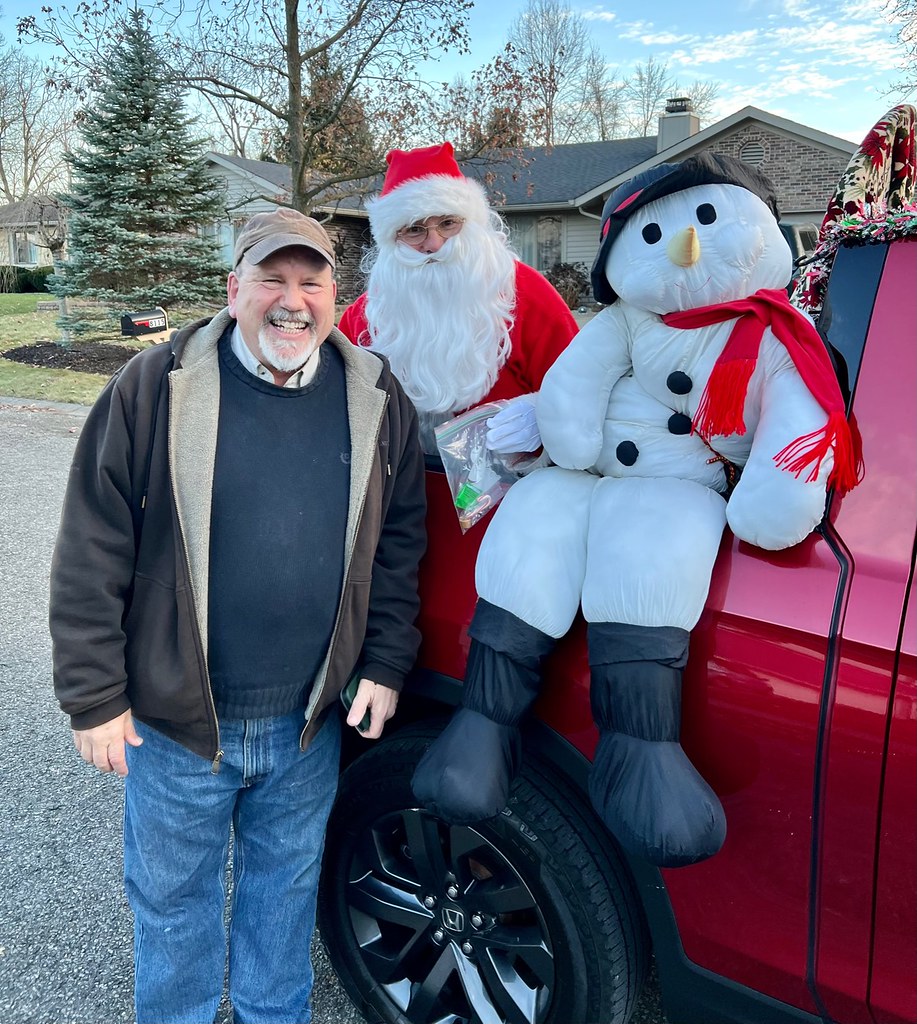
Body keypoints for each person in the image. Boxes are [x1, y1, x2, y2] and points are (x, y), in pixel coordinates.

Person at [49, 207, 426, 1024]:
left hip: (305, 726)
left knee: (281, 903)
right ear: (234, 288)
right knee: (173, 904)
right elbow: (92, 544)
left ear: (336, 295)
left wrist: (386, 661)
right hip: (179, 727)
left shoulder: (374, 395)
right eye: (271, 279)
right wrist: (94, 696)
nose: (292, 301)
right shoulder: (157, 388)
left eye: (311, 281)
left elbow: (399, 541)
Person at [338, 141, 579, 452]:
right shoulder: (366, 317)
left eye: (448, 223)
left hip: (511, 494)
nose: (434, 244)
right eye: (414, 230)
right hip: (398, 496)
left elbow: (580, 384)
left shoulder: (525, 293)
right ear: (392, 240)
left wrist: (541, 414)